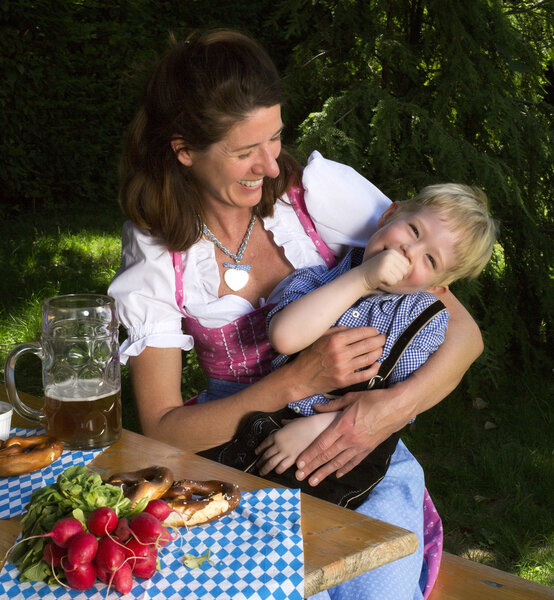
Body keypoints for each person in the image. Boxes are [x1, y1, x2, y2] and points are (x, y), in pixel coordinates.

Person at [108, 29, 485, 599]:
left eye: (276, 138)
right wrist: (293, 382)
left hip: (355, 449)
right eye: (244, 152)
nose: (269, 165)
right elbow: (161, 429)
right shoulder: (159, 252)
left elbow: (462, 331)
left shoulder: (319, 193)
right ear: (184, 150)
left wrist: (386, 409)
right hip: (240, 458)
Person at [245, 184, 497, 512]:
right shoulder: (315, 282)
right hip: (267, 428)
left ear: (437, 287)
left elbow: (396, 410)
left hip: (340, 457)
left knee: (316, 539)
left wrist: (322, 427)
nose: (409, 251)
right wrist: (362, 279)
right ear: (390, 215)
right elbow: (285, 337)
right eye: (414, 229)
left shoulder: (420, 321)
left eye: (430, 259)